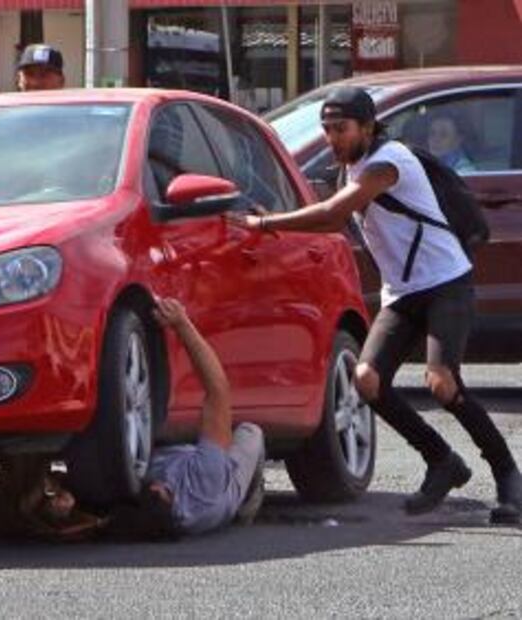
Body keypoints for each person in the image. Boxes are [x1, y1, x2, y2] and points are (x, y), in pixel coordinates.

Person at [227, 86, 522, 524]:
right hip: (403, 293)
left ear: (367, 127)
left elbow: (333, 214)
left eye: (341, 129)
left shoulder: (389, 162)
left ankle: (508, 474)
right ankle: (442, 461)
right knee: (366, 380)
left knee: (441, 381)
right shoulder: (352, 167)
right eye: (326, 130)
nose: (332, 139)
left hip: (446, 282)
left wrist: (264, 224)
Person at [106, 298, 266, 540]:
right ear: (163, 492)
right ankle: (247, 504)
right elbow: (218, 391)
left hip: (179, 465)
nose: (155, 485)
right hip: (222, 492)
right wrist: (182, 324)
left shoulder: (135, 500)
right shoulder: (204, 484)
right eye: (158, 488)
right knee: (251, 432)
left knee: (181, 450)